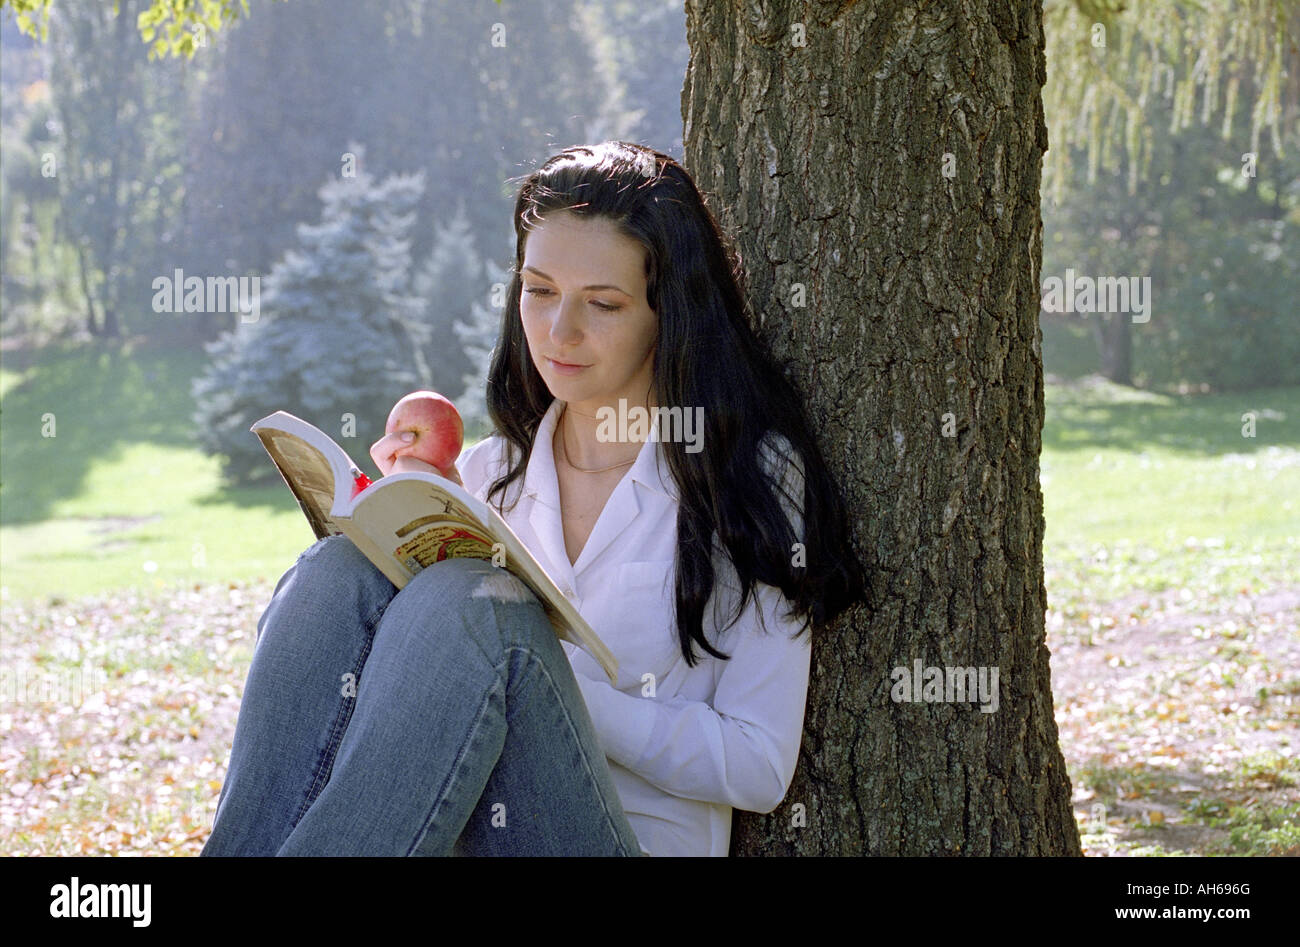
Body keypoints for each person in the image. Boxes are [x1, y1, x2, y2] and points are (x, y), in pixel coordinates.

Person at [201, 140, 864, 857]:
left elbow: (761, 764)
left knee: (480, 610)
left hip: (620, 840)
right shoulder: (486, 473)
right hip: (457, 834)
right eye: (539, 290)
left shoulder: (748, 477)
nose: (558, 331)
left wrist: (559, 689)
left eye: (601, 304)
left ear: (668, 312)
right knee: (338, 571)